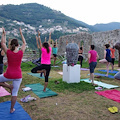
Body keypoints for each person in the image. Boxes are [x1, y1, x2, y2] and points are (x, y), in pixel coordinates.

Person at [0, 27, 26, 113]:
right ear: (18, 45)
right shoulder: (21, 52)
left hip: (9, 74)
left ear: (11, 45)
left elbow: (2, 43)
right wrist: (21, 33)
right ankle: (11, 109)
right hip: (18, 75)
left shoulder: (8, 52)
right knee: (15, 93)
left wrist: (4, 33)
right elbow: (24, 43)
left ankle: (8, 86)